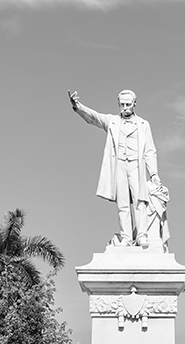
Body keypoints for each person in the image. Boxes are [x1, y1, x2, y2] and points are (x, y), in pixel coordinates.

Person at [68, 89, 167, 250]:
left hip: (136, 165)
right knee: (122, 203)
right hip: (120, 164)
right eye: (122, 104)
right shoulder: (112, 121)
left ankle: (141, 235)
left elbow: (150, 150)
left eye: (128, 104)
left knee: (139, 201)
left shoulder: (143, 125)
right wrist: (78, 106)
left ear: (135, 105)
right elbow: (94, 118)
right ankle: (126, 237)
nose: (125, 107)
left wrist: (154, 174)